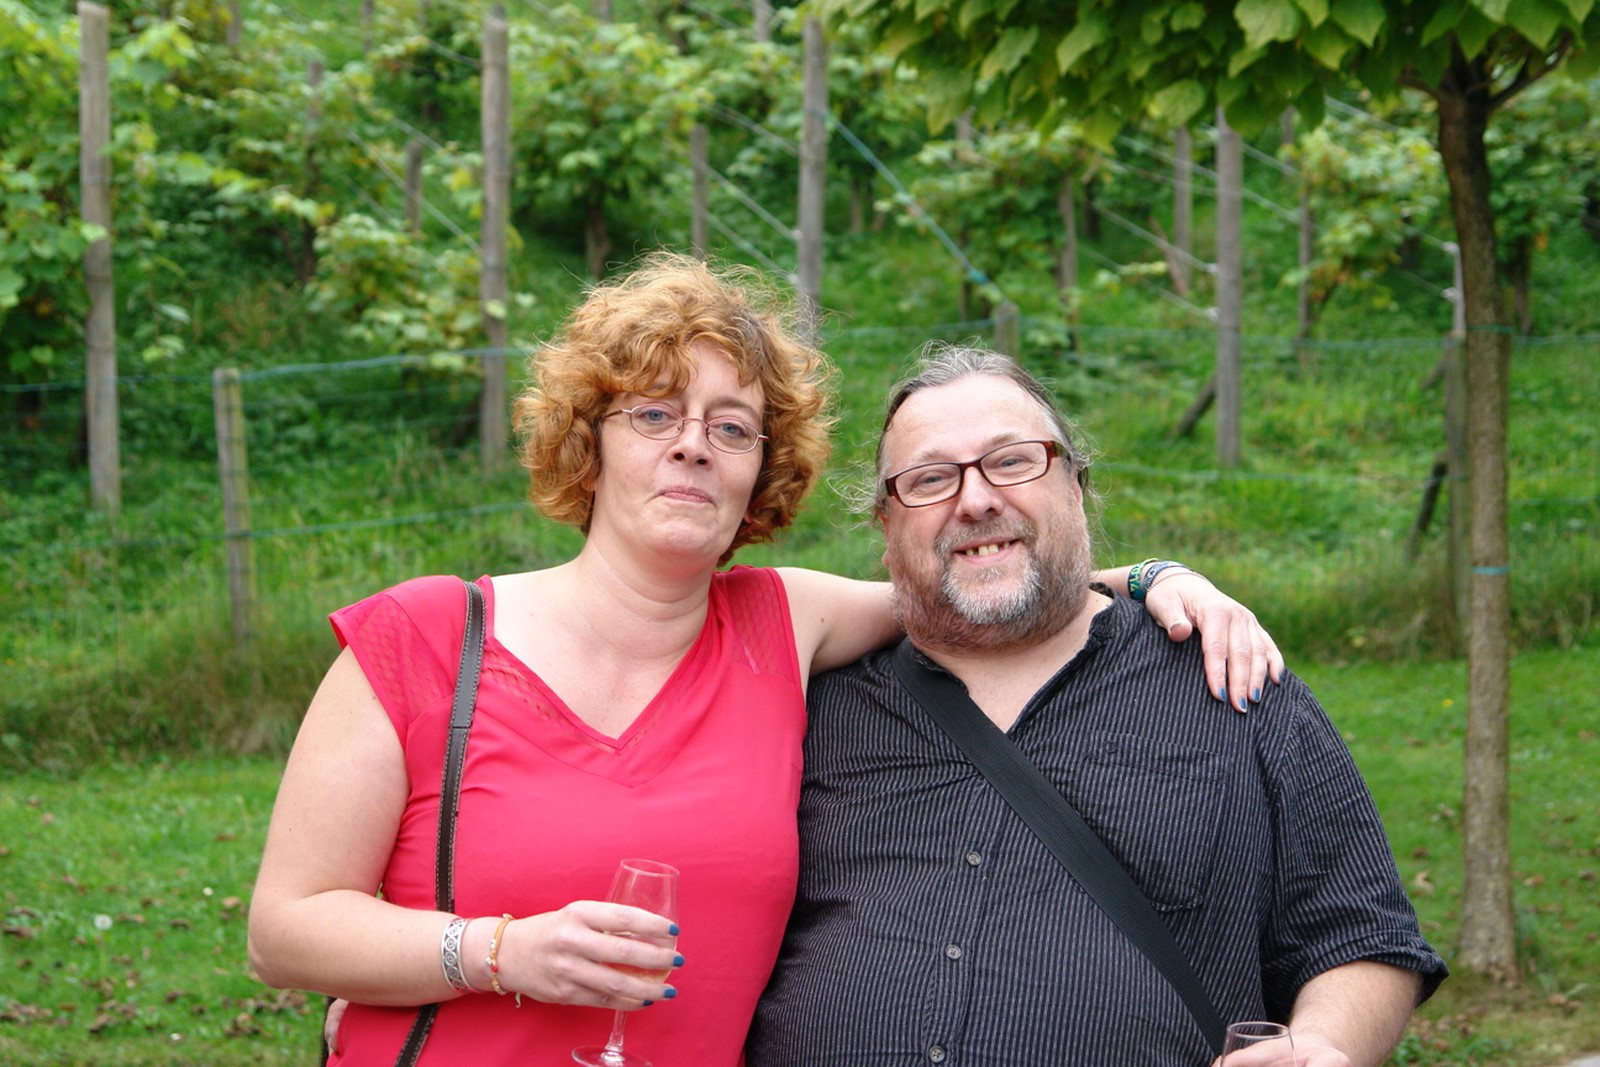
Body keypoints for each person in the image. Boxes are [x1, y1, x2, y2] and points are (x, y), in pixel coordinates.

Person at [247, 255, 1283, 1067]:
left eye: (731, 426)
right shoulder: (429, 639)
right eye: (654, 414)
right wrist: (497, 950)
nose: (693, 444)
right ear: (589, 442)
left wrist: (1148, 576)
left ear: (761, 471)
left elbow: (969, 580)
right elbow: (284, 930)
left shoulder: (783, 622)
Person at [747, 344, 1448, 1067]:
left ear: (1076, 489)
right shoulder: (807, 710)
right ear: (887, 531)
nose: (976, 499)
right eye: (930, 478)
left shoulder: (1227, 677)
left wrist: (1324, 1043)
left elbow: (1363, 934)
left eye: (1012, 461)